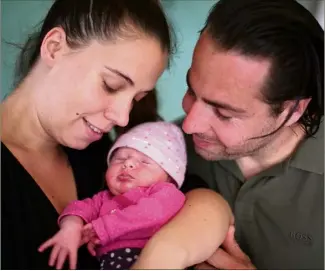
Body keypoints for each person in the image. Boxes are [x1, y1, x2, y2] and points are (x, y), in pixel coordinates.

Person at [1, 0, 233, 269]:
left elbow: (203, 200)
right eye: (111, 85)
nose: (122, 118)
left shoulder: (97, 151)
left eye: (137, 98)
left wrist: (163, 256)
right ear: (54, 48)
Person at [132, 0, 324, 270]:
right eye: (190, 91)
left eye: (223, 113)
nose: (189, 125)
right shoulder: (160, 151)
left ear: (293, 110)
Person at [39, 121, 188, 270]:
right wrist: (71, 226)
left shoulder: (167, 193)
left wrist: (104, 227)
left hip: (151, 258)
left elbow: (152, 212)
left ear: (170, 177)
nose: (128, 163)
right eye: (120, 158)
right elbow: (78, 208)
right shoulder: (103, 198)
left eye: (145, 161)